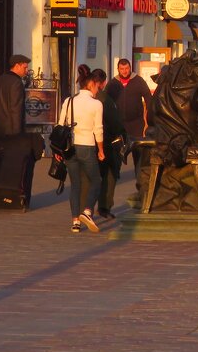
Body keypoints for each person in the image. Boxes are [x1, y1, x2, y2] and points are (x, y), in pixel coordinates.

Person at [59, 64, 106, 233]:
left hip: (70, 147)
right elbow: (98, 129)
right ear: (91, 84)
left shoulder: (69, 101)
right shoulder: (96, 104)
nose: (98, 90)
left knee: (75, 184)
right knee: (96, 180)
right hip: (87, 146)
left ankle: (75, 222)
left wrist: (59, 150)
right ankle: (87, 211)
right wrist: (101, 150)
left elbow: (60, 125)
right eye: (97, 86)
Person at [105, 59, 153, 210]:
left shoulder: (138, 81)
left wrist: (148, 122)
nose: (124, 71)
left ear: (130, 68)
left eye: (126, 69)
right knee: (115, 161)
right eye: (121, 69)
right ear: (118, 69)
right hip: (119, 128)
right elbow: (106, 103)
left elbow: (149, 100)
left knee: (139, 160)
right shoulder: (113, 83)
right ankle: (107, 200)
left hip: (137, 125)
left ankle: (142, 193)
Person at [95, 68, 125, 221]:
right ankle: (104, 206)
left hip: (87, 142)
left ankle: (84, 208)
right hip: (107, 142)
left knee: (90, 176)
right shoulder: (106, 100)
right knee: (109, 175)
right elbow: (115, 123)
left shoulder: (82, 97)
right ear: (103, 83)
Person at [0, 54, 30, 138]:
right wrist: (17, 135)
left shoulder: (0, 79)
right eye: (25, 67)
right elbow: (16, 110)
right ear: (17, 66)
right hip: (12, 132)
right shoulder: (16, 83)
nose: (26, 71)